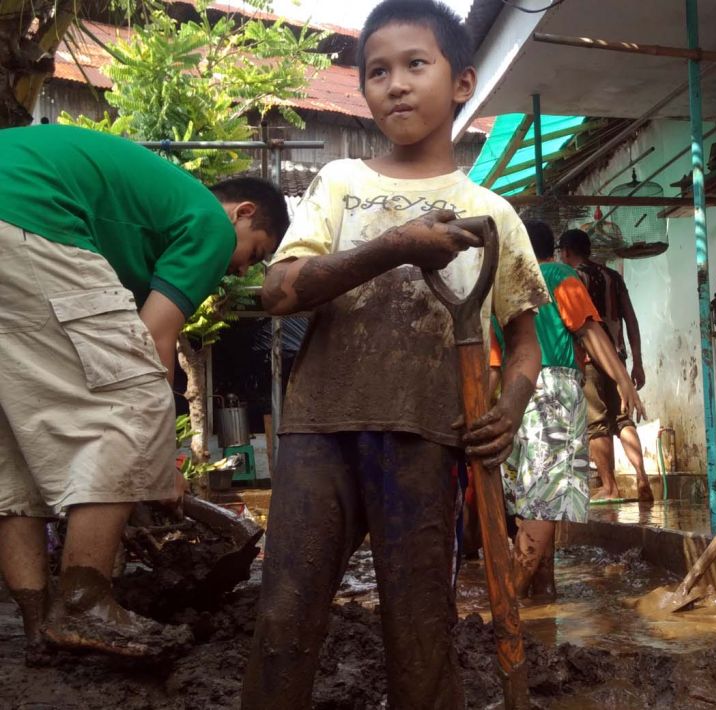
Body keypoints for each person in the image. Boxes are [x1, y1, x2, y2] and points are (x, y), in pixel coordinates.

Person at [241, 2, 548, 708]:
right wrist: (395, 246)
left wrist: (510, 405)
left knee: (420, 633)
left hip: (427, 440)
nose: (396, 84)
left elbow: (524, 339)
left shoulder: (491, 212)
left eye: (416, 65)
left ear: (463, 82)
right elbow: (279, 292)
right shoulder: (342, 183)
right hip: (320, 430)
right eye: (377, 71)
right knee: (284, 617)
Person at [0, 124, 287, 661]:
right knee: (135, 402)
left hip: (16, 221)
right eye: (255, 251)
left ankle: (39, 624)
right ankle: (83, 602)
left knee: (17, 442)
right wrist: (160, 463)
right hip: (28, 213)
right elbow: (152, 341)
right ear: (243, 212)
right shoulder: (210, 222)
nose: (239, 268)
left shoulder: (147, 222)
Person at [493, 219, 645, 600]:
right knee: (545, 503)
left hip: (510, 396)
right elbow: (589, 331)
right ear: (551, 249)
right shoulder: (559, 275)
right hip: (552, 391)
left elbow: (492, 360)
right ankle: (508, 603)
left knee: (530, 500)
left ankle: (543, 596)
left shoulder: (499, 285)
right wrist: (623, 379)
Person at [558, 228, 655, 502]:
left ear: (565, 251)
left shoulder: (572, 278)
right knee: (623, 418)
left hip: (588, 359)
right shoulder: (613, 276)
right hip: (618, 358)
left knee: (597, 423)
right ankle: (641, 475)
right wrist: (637, 363)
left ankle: (610, 487)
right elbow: (632, 321)